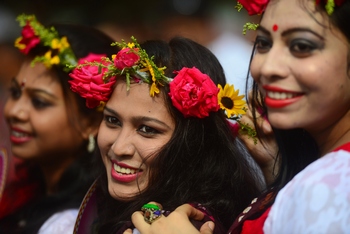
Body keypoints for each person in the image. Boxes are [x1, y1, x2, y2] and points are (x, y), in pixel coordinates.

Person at [125, 0, 350, 233]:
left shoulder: (329, 185)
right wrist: (279, 172)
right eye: (263, 43)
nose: (267, 67)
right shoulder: (320, 174)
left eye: (301, 46)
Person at [69, 36, 264, 234]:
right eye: (113, 121)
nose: (119, 148)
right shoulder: (105, 205)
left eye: (147, 129)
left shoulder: (186, 226)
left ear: (194, 143)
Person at [0, 14, 118, 233]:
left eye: (39, 102)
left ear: (91, 123)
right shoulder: (31, 191)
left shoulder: (71, 223)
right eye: (15, 92)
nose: (15, 111)